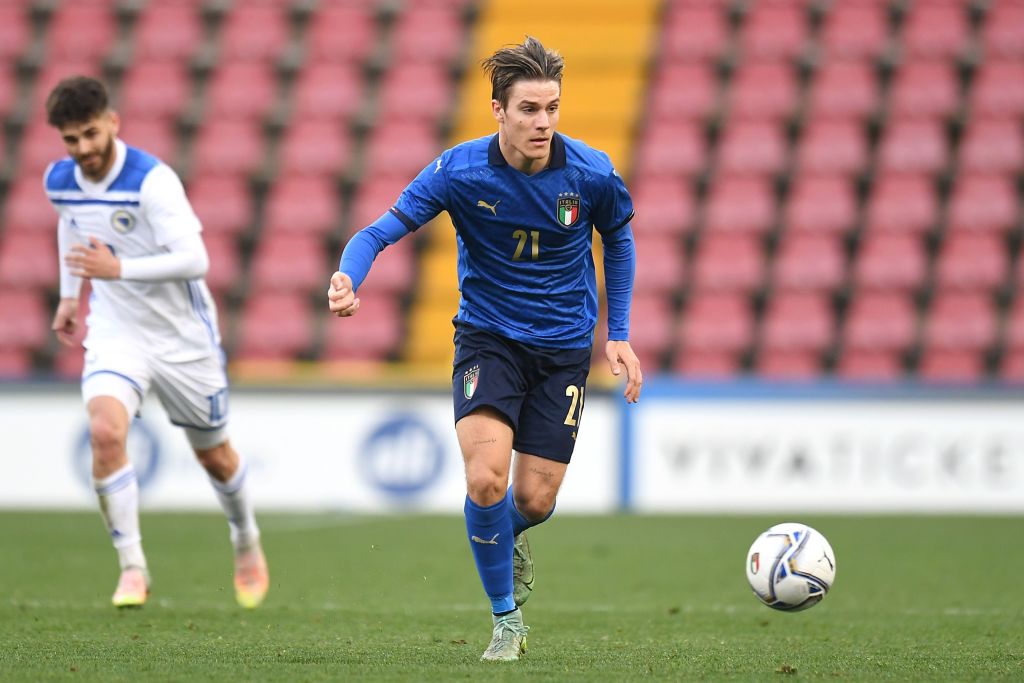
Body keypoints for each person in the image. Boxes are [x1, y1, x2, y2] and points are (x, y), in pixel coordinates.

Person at [327, 37, 642, 661]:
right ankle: (507, 621)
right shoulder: (459, 171)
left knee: (534, 500)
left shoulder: (592, 173)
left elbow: (621, 243)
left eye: (552, 107)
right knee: (487, 480)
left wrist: (620, 333)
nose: (544, 122)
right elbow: (379, 230)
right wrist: (347, 277)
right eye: (529, 109)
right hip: (488, 340)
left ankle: (493, 533)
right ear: (498, 109)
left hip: (563, 349)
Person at [44, 76, 269, 609]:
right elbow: (70, 227)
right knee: (104, 431)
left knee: (214, 456)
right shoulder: (60, 180)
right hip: (117, 331)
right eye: (71, 140)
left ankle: (245, 540)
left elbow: (196, 261)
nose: (83, 149)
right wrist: (69, 296)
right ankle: (132, 568)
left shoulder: (152, 181)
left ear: (113, 122)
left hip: (182, 338)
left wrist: (116, 269)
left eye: (91, 134)